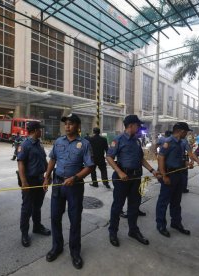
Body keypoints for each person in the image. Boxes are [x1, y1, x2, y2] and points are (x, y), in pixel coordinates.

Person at [43, 113, 94, 270]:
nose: (67, 126)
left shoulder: (84, 144)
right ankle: (57, 247)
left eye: (71, 124)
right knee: (55, 218)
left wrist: (76, 178)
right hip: (58, 184)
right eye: (66, 124)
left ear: (78, 126)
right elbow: (52, 159)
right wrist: (47, 176)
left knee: (75, 220)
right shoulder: (58, 141)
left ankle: (75, 252)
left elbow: (90, 166)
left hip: (74, 186)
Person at [106, 115, 160, 247]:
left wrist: (152, 170)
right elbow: (109, 157)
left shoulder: (136, 141)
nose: (139, 127)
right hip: (122, 178)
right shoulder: (118, 140)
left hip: (135, 178)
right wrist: (119, 172)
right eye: (137, 125)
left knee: (134, 206)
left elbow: (141, 159)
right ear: (131, 125)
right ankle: (113, 232)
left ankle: (133, 230)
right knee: (117, 206)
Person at [156, 122, 199, 238]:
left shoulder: (182, 142)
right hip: (169, 174)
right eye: (186, 132)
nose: (187, 134)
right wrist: (164, 176)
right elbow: (160, 158)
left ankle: (176, 223)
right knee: (163, 202)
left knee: (176, 202)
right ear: (181, 131)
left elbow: (180, 159)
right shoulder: (168, 142)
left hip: (179, 174)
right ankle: (161, 225)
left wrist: (187, 163)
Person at [17, 121, 51, 248]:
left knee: (37, 206)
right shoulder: (25, 145)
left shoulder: (39, 145)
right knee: (27, 208)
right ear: (35, 130)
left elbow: (44, 161)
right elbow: (20, 163)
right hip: (29, 181)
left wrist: (48, 176)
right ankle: (24, 233)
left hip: (39, 180)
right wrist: (24, 181)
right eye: (40, 129)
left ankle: (37, 227)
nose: (41, 131)